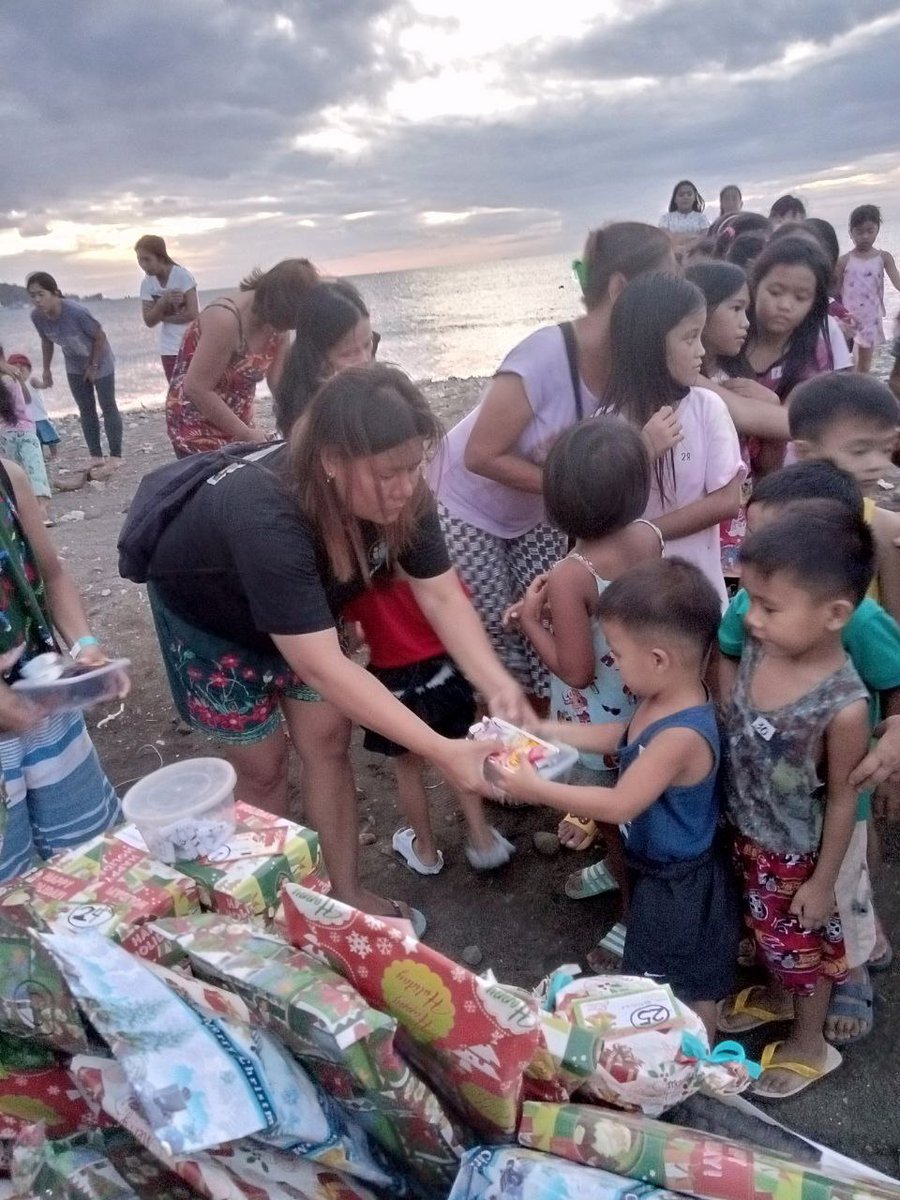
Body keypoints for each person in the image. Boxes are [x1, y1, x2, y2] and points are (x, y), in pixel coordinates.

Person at [143, 364, 529, 927]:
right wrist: (443, 749)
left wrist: (497, 685)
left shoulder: (402, 490)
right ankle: (273, 907)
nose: (405, 486)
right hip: (214, 625)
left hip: (306, 615)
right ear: (331, 461)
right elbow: (322, 666)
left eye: (414, 464)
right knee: (264, 768)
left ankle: (345, 895)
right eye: (387, 473)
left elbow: (442, 597)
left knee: (327, 740)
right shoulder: (268, 515)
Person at [429, 222, 677, 703]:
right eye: (663, 280)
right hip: (465, 504)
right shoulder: (547, 352)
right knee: (498, 639)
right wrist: (574, 484)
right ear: (620, 287)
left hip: (542, 506)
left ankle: (554, 743)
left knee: (550, 622)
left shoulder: (632, 361)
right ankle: (509, 750)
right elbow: (481, 454)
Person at [498, 558, 740, 1042]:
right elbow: (622, 736)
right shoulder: (664, 697)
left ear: (658, 660)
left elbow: (620, 804)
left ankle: (693, 1066)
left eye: (619, 655)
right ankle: (687, 1055)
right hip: (661, 866)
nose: (614, 665)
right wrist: (550, 728)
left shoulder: (682, 734)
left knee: (678, 985)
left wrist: (535, 788)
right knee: (687, 972)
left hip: (678, 882)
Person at [716, 461, 900, 1047]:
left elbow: (892, 684)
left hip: (816, 825)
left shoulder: (857, 639)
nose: (751, 614)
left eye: (769, 600)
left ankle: (841, 993)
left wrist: (893, 730)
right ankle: (785, 987)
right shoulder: (760, 622)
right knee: (778, 923)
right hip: (759, 821)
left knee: (836, 904)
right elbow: (726, 652)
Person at [507, 419, 664, 858]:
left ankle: (627, 903)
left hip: (598, 718)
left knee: (614, 823)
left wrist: (532, 622)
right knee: (648, 802)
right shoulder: (650, 537)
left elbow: (577, 672)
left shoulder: (572, 572)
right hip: (649, 698)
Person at [343, 573, 514, 875]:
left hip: (394, 687)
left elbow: (353, 638)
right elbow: (457, 605)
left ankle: (425, 850)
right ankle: (483, 841)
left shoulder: (359, 583)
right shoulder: (425, 570)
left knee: (408, 769)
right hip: (443, 676)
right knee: (460, 756)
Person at [0, 458, 121, 882]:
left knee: (88, 859)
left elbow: (51, 576)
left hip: (44, 706)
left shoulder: (8, 478)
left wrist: (85, 646)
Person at [598, 272, 745, 605]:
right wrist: (643, 451)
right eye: (690, 338)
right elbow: (597, 506)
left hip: (699, 592)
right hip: (635, 594)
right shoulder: (608, 423)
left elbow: (727, 500)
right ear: (650, 344)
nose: (702, 350)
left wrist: (648, 532)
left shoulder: (707, 407)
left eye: (701, 336)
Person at [685, 262, 786, 584]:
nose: (746, 323)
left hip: (738, 534)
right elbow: (764, 420)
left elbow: (766, 465)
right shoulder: (692, 382)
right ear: (701, 310)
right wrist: (771, 406)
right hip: (702, 534)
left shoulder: (732, 377)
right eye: (736, 309)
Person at [165, 258, 318, 457]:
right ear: (277, 305)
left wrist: (305, 419)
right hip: (196, 426)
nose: (286, 329)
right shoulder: (225, 320)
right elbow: (196, 388)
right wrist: (245, 433)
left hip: (238, 424)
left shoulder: (280, 324)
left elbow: (279, 383)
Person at [788, 372, 900, 619]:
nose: (877, 464)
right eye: (859, 450)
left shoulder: (884, 527)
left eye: (886, 450)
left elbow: (894, 628)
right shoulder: (777, 518)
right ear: (804, 452)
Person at [26, 272, 123, 474]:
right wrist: (46, 369)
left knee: (108, 406)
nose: (37, 300)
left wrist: (94, 366)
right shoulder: (37, 316)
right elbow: (46, 341)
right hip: (74, 364)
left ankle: (115, 456)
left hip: (100, 361)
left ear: (54, 293)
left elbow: (100, 336)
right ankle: (96, 456)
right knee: (86, 409)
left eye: (41, 294)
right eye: (32, 295)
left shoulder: (75, 311)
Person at [274, 280, 373, 436]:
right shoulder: (313, 416)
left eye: (368, 344)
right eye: (348, 353)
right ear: (317, 357)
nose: (364, 359)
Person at [835, 205, 900, 374]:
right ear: (851, 233)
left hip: (872, 316)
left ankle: (861, 388)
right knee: (844, 358)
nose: (865, 236)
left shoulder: (883, 257)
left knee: (865, 363)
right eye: (859, 232)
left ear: (877, 229)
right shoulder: (844, 261)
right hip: (848, 316)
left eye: (870, 231)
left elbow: (897, 282)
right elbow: (833, 290)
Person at [135, 235, 199, 382]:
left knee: (194, 389)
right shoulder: (147, 284)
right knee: (175, 392)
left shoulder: (182, 276)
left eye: (147, 259)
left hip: (192, 344)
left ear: (161, 258)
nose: (143, 265)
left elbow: (193, 314)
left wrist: (162, 317)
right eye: (139, 260)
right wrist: (162, 303)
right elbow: (149, 321)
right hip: (168, 348)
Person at [0, 352, 52, 523]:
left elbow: (24, 400)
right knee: (33, 468)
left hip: (10, 432)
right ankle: (39, 509)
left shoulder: (9, 379)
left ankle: (28, 512)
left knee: (15, 473)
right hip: (22, 430)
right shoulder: (11, 378)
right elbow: (26, 400)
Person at [4, 353, 60, 461]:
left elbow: (41, 386)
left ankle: (55, 454)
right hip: (27, 419)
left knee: (49, 436)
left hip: (39, 416)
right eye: (16, 369)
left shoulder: (32, 381)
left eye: (22, 369)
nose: (19, 371)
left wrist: (46, 383)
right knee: (36, 439)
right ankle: (40, 455)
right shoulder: (14, 385)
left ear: (29, 370)